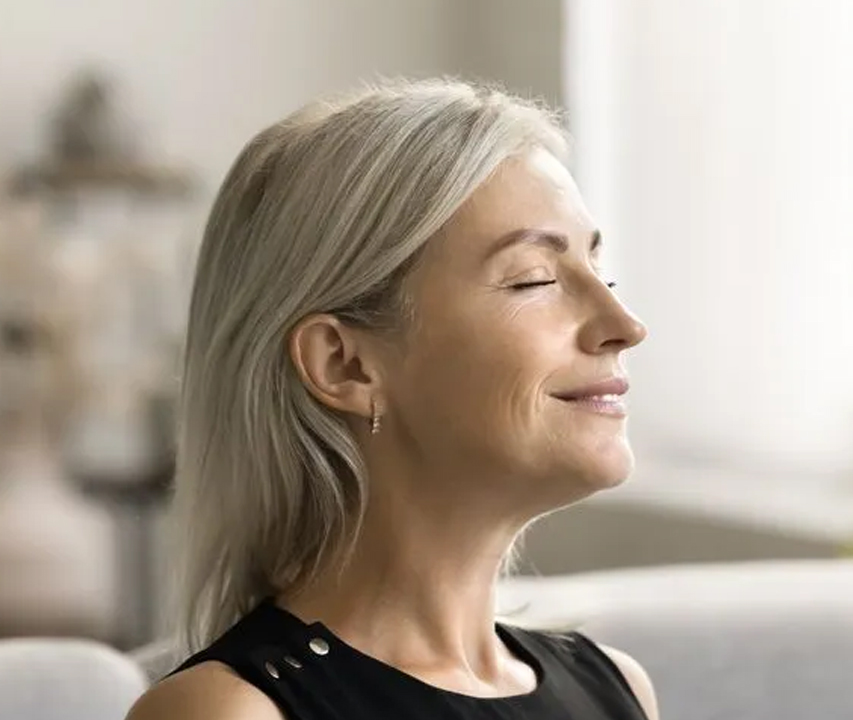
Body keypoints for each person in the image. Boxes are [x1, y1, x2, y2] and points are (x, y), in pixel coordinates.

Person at [126, 79, 655, 720]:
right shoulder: (232, 714)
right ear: (343, 363)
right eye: (533, 279)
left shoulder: (618, 690)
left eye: (602, 275)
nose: (623, 323)